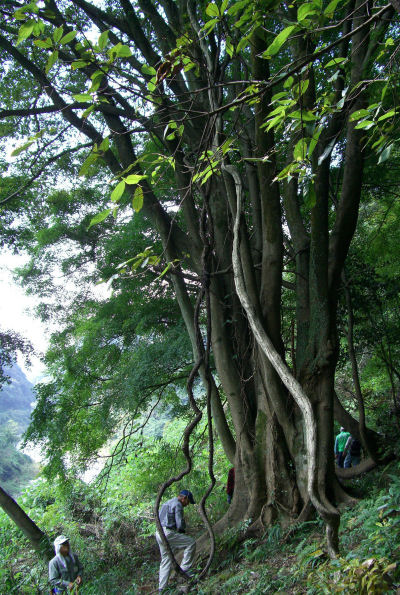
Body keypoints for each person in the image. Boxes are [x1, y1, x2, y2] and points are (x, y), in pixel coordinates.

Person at [156, 489, 197, 592]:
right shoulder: (178, 504)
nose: (187, 504)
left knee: (166, 559)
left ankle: (162, 588)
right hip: (168, 533)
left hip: (159, 532)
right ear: (184, 498)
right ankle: (185, 569)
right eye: (188, 502)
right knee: (191, 543)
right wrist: (182, 529)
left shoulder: (167, 503)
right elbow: (179, 523)